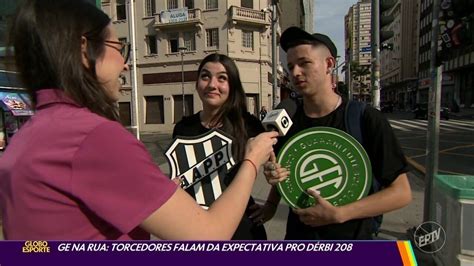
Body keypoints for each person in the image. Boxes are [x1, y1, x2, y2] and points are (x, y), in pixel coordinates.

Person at [0, 0, 278, 240]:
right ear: (84, 49)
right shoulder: (95, 136)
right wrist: (252, 161)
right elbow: (207, 236)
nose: (126, 63)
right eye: (118, 46)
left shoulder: (24, 138)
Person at [258, 27, 412, 240]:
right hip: (299, 240)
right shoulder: (287, 120)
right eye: (291, 66)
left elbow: (401, 193)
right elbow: (285, 172)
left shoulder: (365, 119)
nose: (295, 73)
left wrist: (340, 214)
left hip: (352, 244)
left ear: (329, 64)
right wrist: (273, 194)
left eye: (304, 63)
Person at [173, 53, 267, 240]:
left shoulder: (249, 125)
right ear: (197, 82)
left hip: (243, 230)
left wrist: (271, 205)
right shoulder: (183, 128)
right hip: (196, 227)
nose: (212, 85)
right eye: (205, 76)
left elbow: (279, 165)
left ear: (232, 86)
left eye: (222, 78)